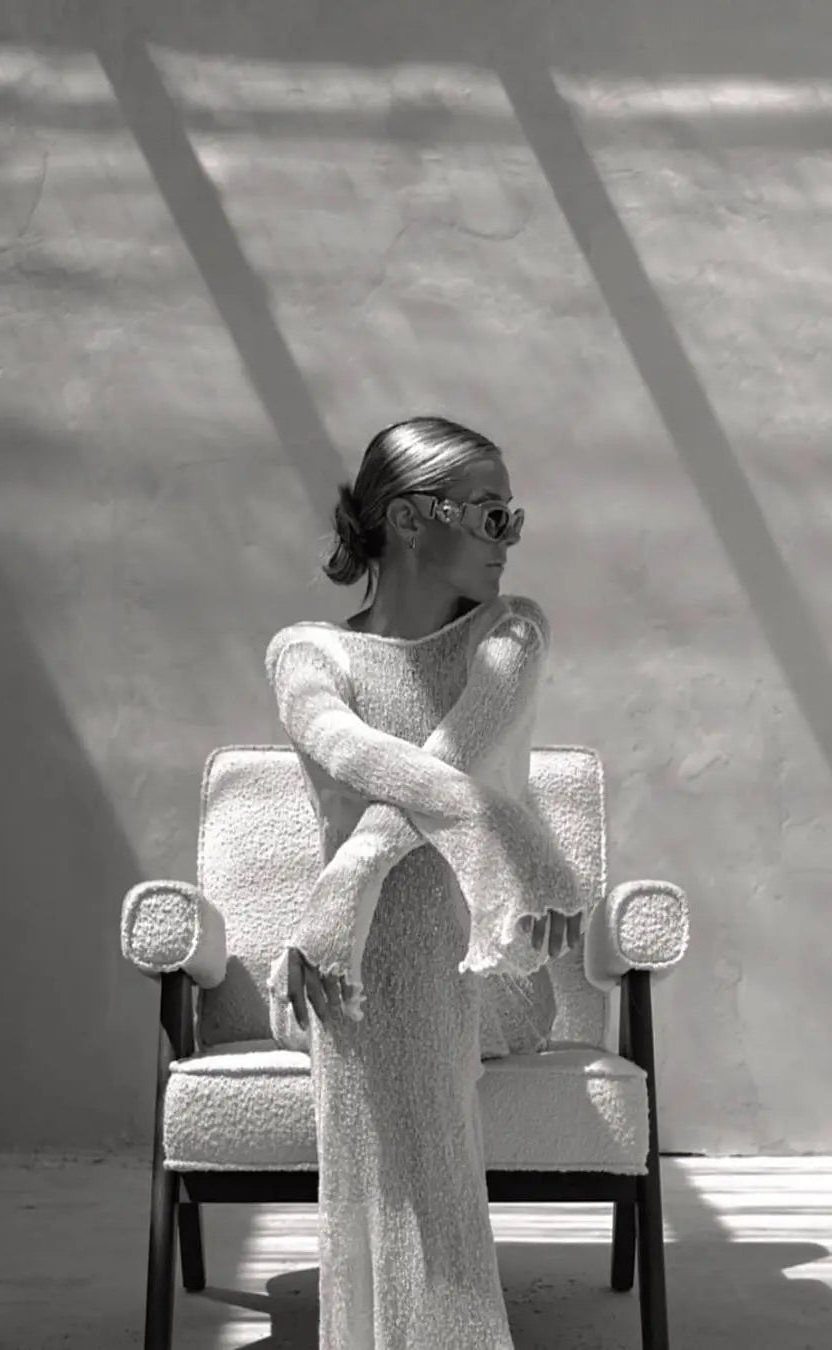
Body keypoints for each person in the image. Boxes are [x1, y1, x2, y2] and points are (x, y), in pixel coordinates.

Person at [263, 416, 586, 1349]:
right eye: (491, 515)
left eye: (510, 516)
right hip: (336, 974)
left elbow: (451, 754)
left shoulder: (510, 632)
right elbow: (353, 750)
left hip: (492, 974)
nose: (510, 538)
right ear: (411, 519)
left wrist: (343, 884)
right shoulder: (307, 652)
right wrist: (525, 839)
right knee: (389, 965)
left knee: (400, 930)